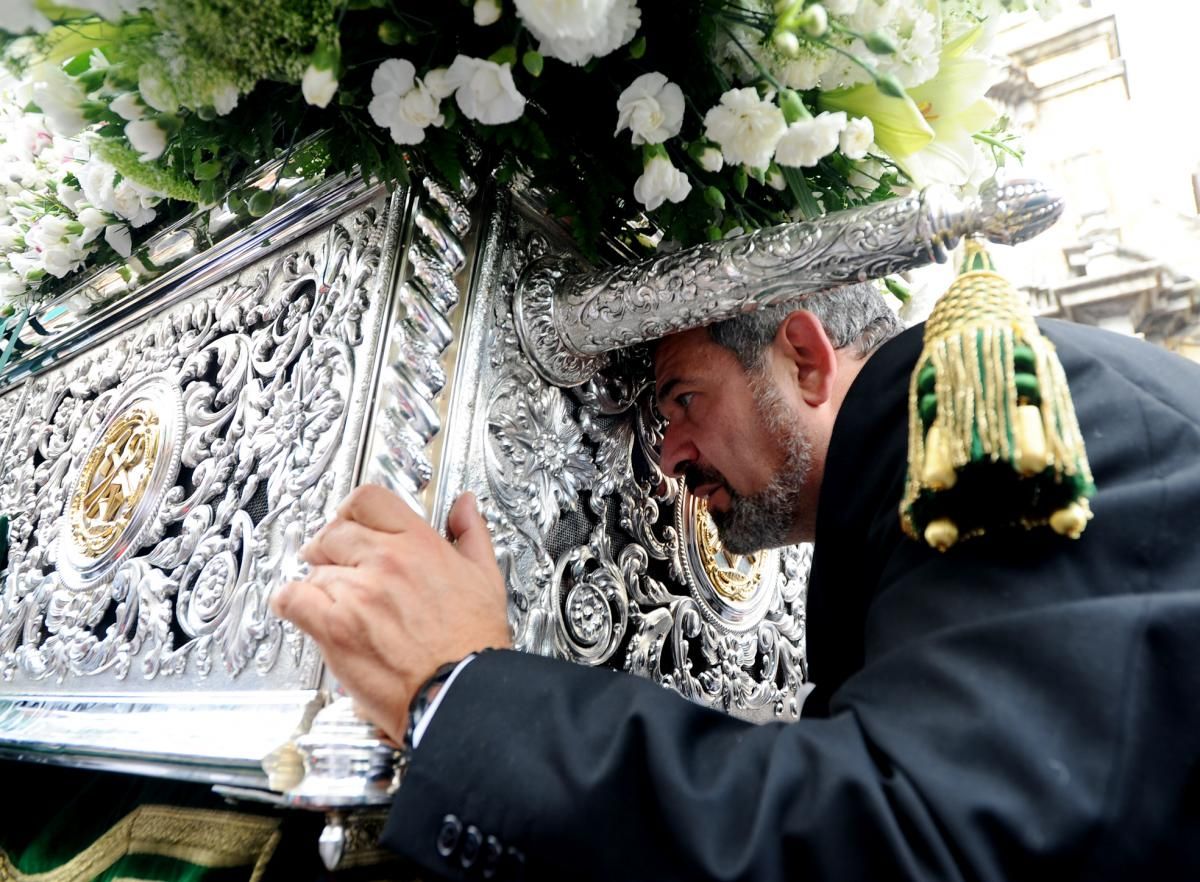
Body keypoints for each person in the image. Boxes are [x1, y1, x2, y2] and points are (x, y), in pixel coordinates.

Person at [271, 281, 1200, 881]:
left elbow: (920, 843)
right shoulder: (888, 500)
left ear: (803, 355)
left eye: (683, 398)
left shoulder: (994, 407)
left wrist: (462, 688)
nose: (666, 459)